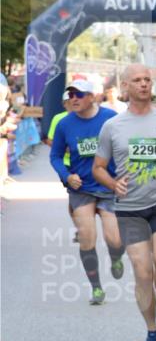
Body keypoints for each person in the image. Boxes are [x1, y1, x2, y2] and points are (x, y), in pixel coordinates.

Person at [93, 64, 156, 341]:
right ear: (125, 88)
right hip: (130, 208)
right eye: (138, 80)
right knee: (143, 272)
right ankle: (151, 332)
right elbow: (98, 168)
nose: (145, 84)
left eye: (148, 79)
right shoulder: (113, 126)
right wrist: (112, 184)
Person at [49, 79, 125, 304]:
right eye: (70, 94)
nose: (73, 98)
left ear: (92, 96)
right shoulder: (64, 124)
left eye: (79, 94)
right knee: (86, 238)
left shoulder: (110, 118)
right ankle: (97, 288)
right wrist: (67, 175)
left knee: (115, 239)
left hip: (109, 186)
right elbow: (54, 155)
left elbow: (124, 147)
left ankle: (116, 256)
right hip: (81, 188)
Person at [48, 91, 78, 242]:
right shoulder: (59, 118)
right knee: (74, 196)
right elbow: (50, 141)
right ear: (64, 103)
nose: (72, 102)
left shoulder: (85, 117)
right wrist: (68, 148)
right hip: (66, 164)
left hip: (84, 163)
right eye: (68, 100)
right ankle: (79, 226)